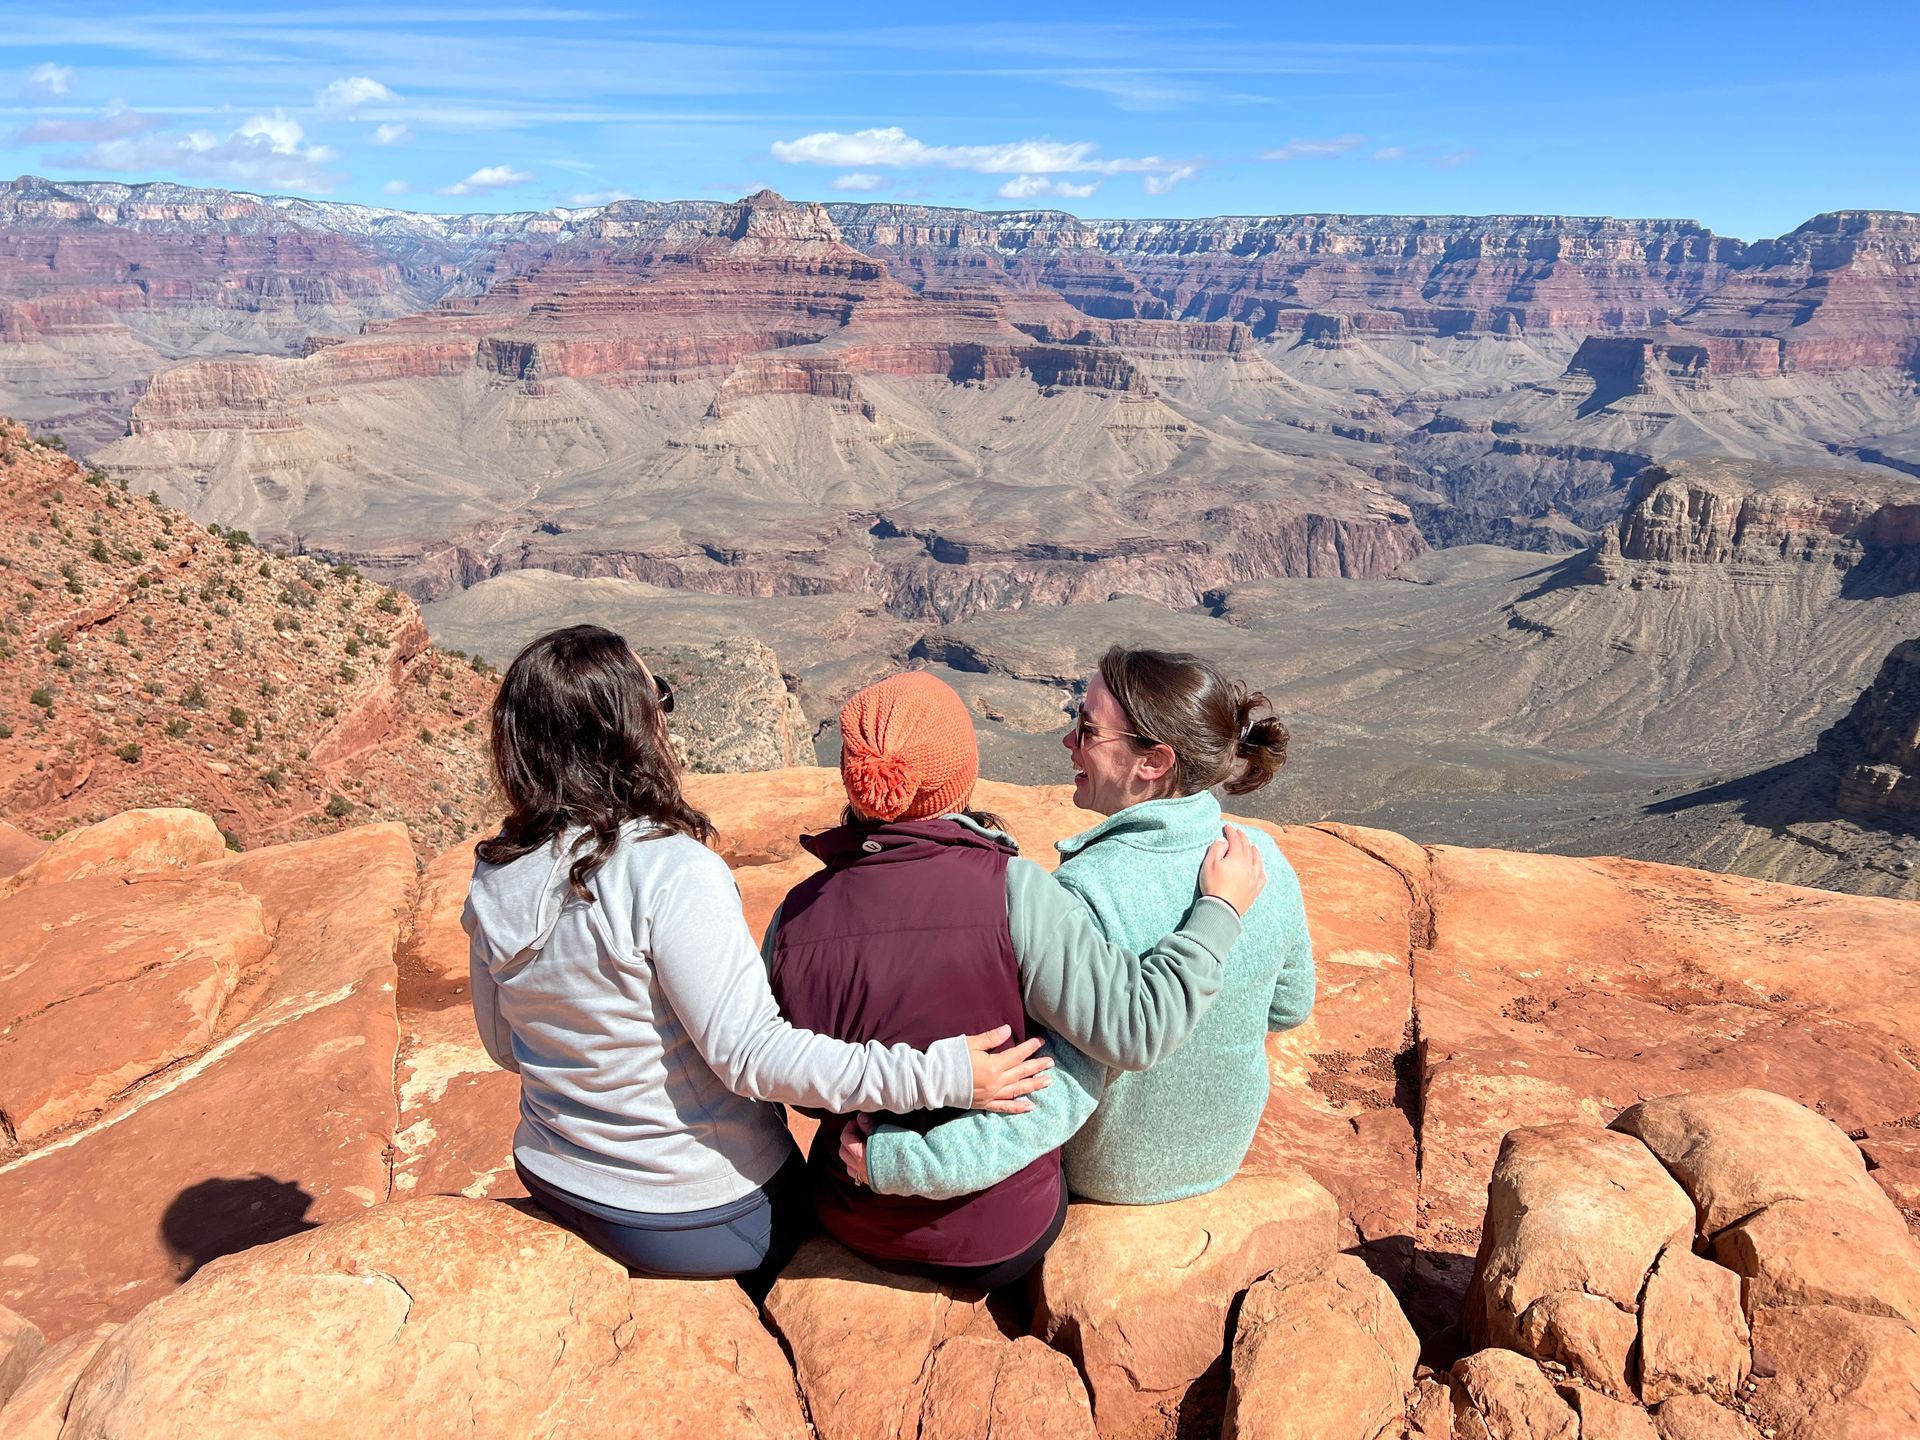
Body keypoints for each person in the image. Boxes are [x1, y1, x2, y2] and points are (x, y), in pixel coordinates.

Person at [463, 625, 1055, 1288]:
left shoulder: (494, 873)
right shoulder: (670, 870)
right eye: (657, 698)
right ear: (627, 733)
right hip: (689, 1207)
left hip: (554, 1172)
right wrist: (946, 1074)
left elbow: (504, 1046)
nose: (664, 715)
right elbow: (754, 1059)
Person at [762, 670, 1267, 1289]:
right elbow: (1132, 1033)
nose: (1069, 741)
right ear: (960, 774)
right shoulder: (1017, 893)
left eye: (1084, 729)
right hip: (1003, 1235)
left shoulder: (793, 919)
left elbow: (793, 1086)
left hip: (851, 1215)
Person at [846, 645, 1315, 1207]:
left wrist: (907, 1163)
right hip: (1222, 1150)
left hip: (1117, 1171)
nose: (1069, 740)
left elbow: (1053, 1090)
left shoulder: (1086, 891)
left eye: (1087, 729)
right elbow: (1290, 1006)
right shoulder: (1260, 859)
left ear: (1154, 762)